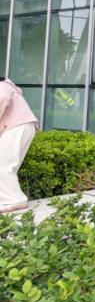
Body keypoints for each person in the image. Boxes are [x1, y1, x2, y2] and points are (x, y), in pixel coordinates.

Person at [0, 77, 39, 213]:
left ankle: (14, 200)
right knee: (8, 165)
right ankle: (8, 199)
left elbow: (3, 97)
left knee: (3, 164)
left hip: (17, 126)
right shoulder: (7, 85)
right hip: (21, 125)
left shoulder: (2, 86)